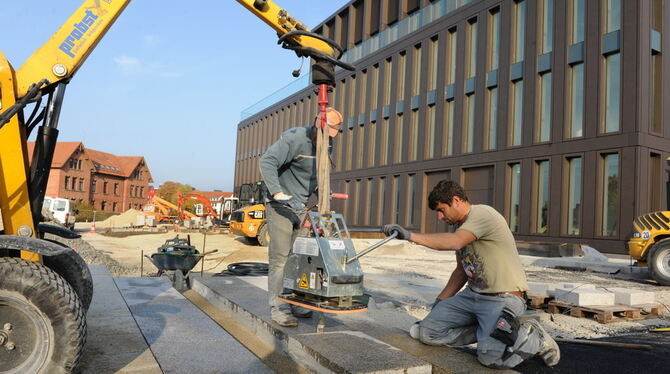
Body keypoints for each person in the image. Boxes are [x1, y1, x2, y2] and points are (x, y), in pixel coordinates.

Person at [382, 180, 560, 369]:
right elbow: (461, 271)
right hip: (471, 297)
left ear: (456, 200)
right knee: (425, 332)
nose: (440, 217)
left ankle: (534, 336)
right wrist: (441, 302)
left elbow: (455, 242)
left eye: (442, 210)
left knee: (491, 359)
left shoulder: (483, 214)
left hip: (502, 299)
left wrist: (410, 236)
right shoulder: (460, 227)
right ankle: (491, 332)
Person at [259, 107, 343, 327]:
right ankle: (279, 307)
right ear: (317, 126)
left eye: (331, 136)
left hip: (302, 207)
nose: (328, 140)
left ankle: (295, 300)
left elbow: (317, 175)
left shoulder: (328, 145)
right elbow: (267, 161)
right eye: (326, 134)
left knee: (300, 257)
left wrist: (324, 193)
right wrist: (277, 192)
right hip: (281, 206)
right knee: (280, 257)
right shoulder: (294, 139)